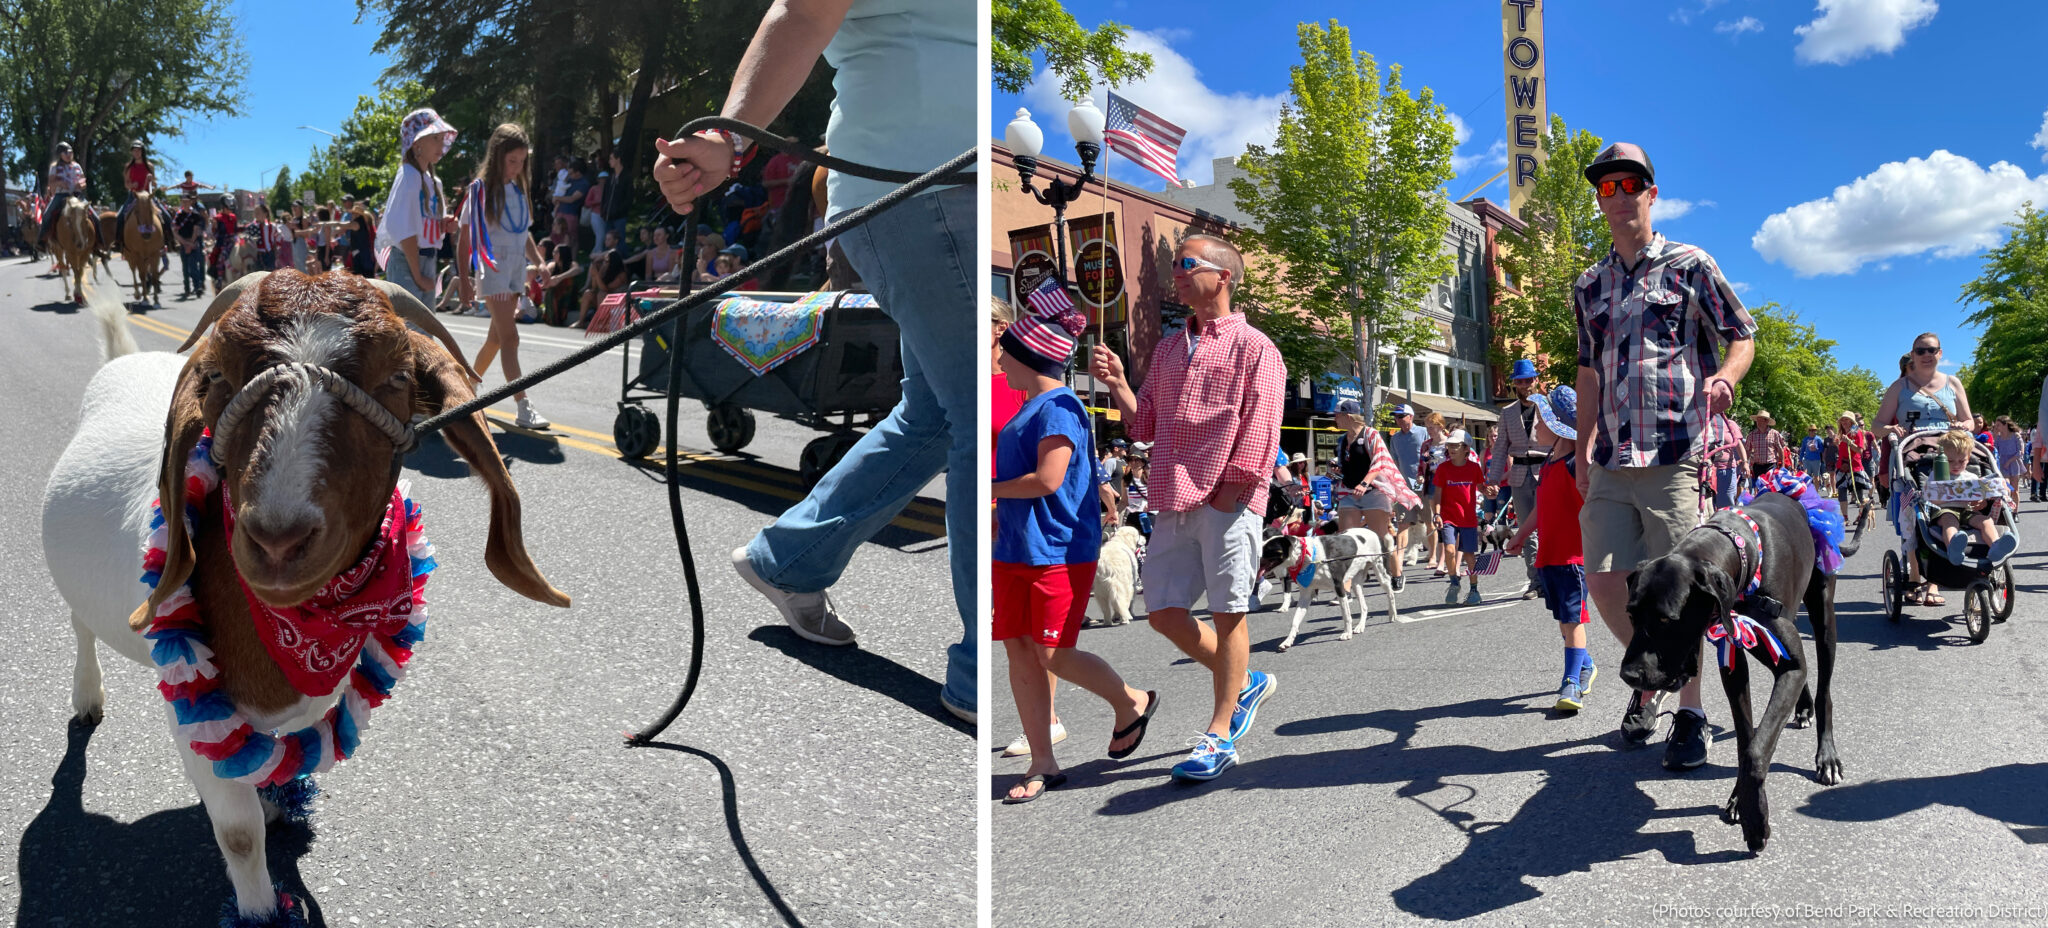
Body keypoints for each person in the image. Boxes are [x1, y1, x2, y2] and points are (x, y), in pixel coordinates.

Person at [652, 0, 976, 723]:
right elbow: (802, 12)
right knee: (980, 413)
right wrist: (723, 136)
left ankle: (788, 559)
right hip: (920, 192)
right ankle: (985, 674)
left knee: (936, 412)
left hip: (950, 193)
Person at [1572, 142, 1756, 772]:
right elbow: (1589, 371)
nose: (1618, 195)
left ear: (1651, 193)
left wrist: (1727, 376)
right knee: (1602, 580)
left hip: (1677, 447)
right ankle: (1657, 678)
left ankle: (1692, 711)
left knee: (1683, 591)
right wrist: (1582, 444)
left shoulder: (1689, 264)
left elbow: (1742, 332)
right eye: (1606, 188)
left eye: (1630, 184)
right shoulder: (1589, 285)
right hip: (1611, 456)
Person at [1088, 233, 1283, 782]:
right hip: (1172, 495)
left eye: (1185, 263)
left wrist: (1232, 491)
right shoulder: (1171, 348)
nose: (1175, 272)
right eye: (1174, 264)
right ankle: (1244, 681)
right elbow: (1144, 423)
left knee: (1228, 612)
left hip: (1228, 498)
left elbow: (1262, 426)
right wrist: (1122, 384)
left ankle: (1220, 733)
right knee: (1164, 613)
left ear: (1222, 276)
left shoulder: (1256, 346)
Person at [993, 294, 1156, 803]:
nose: (999, 360)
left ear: (1029, 358)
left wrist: (989, 488)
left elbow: (1048, 479)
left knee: (1052, 653)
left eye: (1007, 353)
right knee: (1021, 652)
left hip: (1058, 550)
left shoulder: (1059, 406)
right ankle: (1044, 762)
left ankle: (1132, 700)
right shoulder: (1034, 405)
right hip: (1017, 547)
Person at [1503, 385, 1595, 711]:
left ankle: (1571, 683)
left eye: (1540, 421)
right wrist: (1520, 534)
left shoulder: (1577, 466)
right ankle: (1584, 664)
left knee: (1572, 620)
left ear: (1558, 427)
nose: (1534, 428)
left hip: (1574, 556)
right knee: (1563, 619)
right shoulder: (1549, 463)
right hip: (1549, 555)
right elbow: (1542, 509)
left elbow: (1594, 510)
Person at [456, 122, 551, 430]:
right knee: (511, 337)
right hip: (493, 271)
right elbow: (464, 238)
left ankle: (465, 390)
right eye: (512, 161)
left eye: (522, 161)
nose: (517, 167)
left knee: (496, 338)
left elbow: (523, 234)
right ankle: (523, 405)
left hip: (514, 271)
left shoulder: (517, 190)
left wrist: (540, 263)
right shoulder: (479, 191)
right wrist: (465, 280)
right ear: (498, 157)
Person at [1332, 399, 1420, 591]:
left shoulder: (1370, 434)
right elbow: (1347, 466)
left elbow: (1379, 461)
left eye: (1337, 415)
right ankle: (1345, 588)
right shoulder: (1342, 440)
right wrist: (1335, 471)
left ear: (1348, 416)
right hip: (1349, 491)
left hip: (1373, 492)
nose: (1335, 419)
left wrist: (1365, 483)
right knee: (1346, 539)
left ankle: (1396, 574)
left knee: (1382, 538)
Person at [376, 108, 457, 303]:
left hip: (426, 259)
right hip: (408, 261)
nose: (441, 144)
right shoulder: (409, 176)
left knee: (422, 329)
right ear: (416, 143)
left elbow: (421, 225)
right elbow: (404, 231)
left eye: (441, 138)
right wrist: (418, 276)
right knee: (411, 329)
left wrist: (442, 224)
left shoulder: (433, 181)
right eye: (434, 138)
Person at [1487, 359, 1552, 598]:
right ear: (1514, 384)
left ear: (1536, 380)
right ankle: (1535, 582)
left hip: (1547, 471)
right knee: (1527, 530)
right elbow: (1500, 447)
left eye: (1529, 380)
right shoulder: (1507, 412)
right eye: (1520, 381)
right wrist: (1493, 480)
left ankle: (1554, 577)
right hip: (1519, 475)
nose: (1525, 385)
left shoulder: (1549, 407)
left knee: (1550, 528)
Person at [1929, 428, 2017, 565]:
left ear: (1968, 458)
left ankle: (1995, 546)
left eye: (1961, 461)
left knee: (1986, 521)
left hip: (1967, 510)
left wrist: (1980, 501)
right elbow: (1931, 498)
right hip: (1945, 510)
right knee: (1950, 521)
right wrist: (1950, 495)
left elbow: (1980, 502)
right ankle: (1953, 547)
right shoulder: (1937, 474)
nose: (1956, 465)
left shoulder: (1972, 477)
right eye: (1950, 461)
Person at [1434, 435, 1489, 606]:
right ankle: (1454, 583)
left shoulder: (1474, 468)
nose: (1451, 448)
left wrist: (1490, 492)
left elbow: (1482, 488)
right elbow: (1437, 495)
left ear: (1466, 448)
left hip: (1468, 519)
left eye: (1456, 445)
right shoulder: (1442, 468)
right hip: (1448, 517)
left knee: (1469, 556)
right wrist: (1436, 514)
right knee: (1450, 550)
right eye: (1449, 445)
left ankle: (1474, 590)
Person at [1386, 404, 1431, 566]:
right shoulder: (1395, 438)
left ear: (1410, 416)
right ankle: (1405, 556)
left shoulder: (1423, 432)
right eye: (1396, 417)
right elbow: (1395, 462)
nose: (1397, 419)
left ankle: (1433, 555)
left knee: (1428, 520)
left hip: (1424, 484)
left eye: (1401, 416)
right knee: (1405, 523)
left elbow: (1431, 456)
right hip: (1404, 487)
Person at [40, 142, 86, 249]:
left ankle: (99, 241)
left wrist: (81, 184)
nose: (69, 155)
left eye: (70, 152)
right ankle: (42, 241)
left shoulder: (77, 166)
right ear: (60, 155)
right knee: (47, 214)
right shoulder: (54, 167)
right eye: (66, 153)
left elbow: (84, 181)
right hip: (61, 195)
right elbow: (51, 183)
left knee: (93, 215)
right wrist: (59, 183)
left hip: (77, 194)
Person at [1704, 413, 1748, 510]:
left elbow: (1739, 445)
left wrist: (1745, 462)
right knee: (1708, 505)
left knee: (1726, 506)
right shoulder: (1704, 422)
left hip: (1726, 471)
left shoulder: (1730, 424)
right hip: (1707, 471)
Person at [552, 158, 590, 251]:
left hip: (571, 214)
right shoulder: (569, 180)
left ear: (578, 172)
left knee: (571, 238)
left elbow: (572, 199)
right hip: (560, 211)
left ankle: (571, 260)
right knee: (556, 235)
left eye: (571, 173)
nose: (569, 175)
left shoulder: (584, 184)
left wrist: (557, 198)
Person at [174, 201, 206, 298]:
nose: (185, 203)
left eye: (186, 201)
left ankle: (197, 287)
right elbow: (175, 231)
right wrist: (185, 244)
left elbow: (196, 230)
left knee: (193, 267)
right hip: (183, 243)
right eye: (183, 201)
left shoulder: (195, 215)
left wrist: (191, 244)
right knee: (185, 268)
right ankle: (187, 288)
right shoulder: (178, 215)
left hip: (193, 243)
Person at [1744, 411, 1786, 480]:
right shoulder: (1751, 435)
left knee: (1770, 487)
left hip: (1771, 465)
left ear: (1766, 422)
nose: (1758, 423)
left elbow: (1780, 449)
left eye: (1761, 421)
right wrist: (1745, 463)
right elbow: (1748, 450)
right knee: (1759, 486)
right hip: (1757, 466)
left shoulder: (1774, 434)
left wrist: (1782, 464)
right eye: (1758, 421)